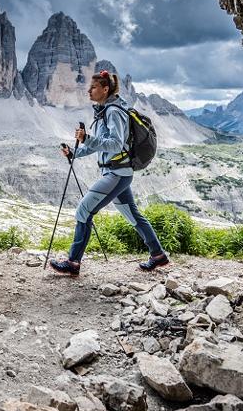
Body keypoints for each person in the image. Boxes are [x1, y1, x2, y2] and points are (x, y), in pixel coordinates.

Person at [49, 70, 171, 276]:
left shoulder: (113, 111)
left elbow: (115, 144)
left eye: (94, 87)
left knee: (83, 211)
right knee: (133, 216)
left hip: (117, 174)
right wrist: (74, 153)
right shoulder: (105, 110)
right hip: (117, 173)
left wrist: (86, 138)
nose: (89, 91)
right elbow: (100, 145)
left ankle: (73, 262)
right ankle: (158, 256)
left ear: (105, 89)